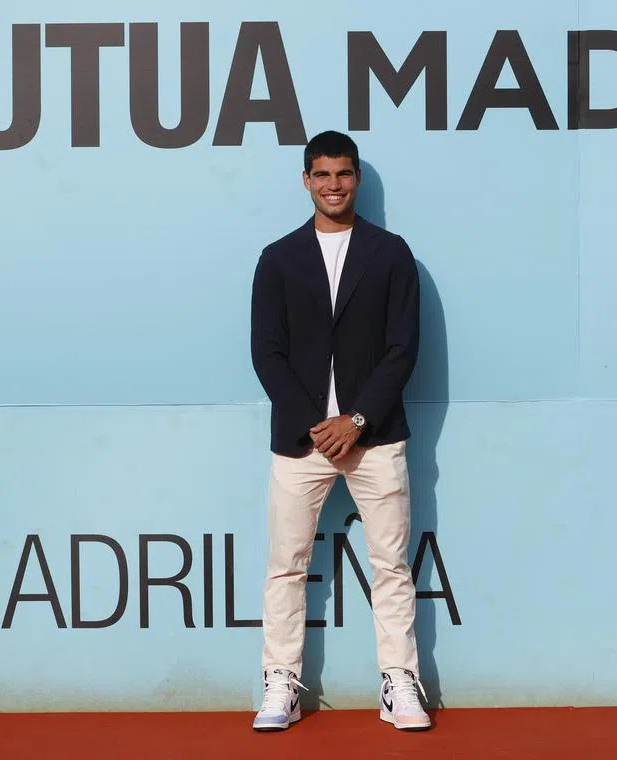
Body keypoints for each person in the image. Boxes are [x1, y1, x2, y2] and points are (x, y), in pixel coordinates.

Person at [248, 130, 430, 732]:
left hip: (374, 437)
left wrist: (355, 420)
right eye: (322, 174)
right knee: (285, 565)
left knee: (392, 566)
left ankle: (400, 684)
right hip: (301, 443)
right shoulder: (277, 258)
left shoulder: (391, 252)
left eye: (344, 174)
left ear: (356, 180)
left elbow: (404, 349)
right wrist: (315, 424)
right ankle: (281, 684)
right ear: (306, 180)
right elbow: (266, 354)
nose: (333, 185)